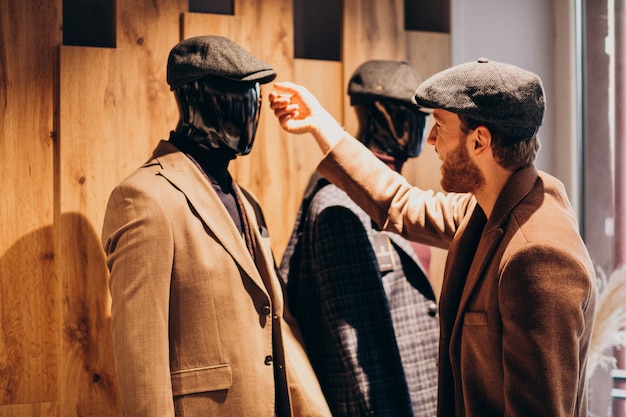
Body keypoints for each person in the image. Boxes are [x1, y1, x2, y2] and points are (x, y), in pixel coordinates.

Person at [269, 57, 597, 417]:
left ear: (479, 141)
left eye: (439, 125)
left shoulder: (537, 256)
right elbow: (402, 203)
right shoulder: (488, 207)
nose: (430, 139)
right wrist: (322, 126)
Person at [101, 35, 332, 417]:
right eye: (234, 95)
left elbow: (274, 324)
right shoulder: (145, 198)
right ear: (192, 100)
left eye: (255, 97)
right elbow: (142, 356)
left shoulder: (247, 202)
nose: (250, 111)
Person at [279, 60, 438, 417]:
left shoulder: (401, 194)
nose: (422, 128)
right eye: (412, 114)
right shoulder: (340, 205)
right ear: (379, 114)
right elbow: (356, 345)